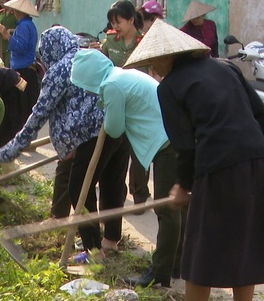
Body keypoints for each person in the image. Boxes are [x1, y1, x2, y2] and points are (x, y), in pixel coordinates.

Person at [124, 19, 264, 301]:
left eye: (155, 62)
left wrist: (183, 185)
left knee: (200, 251)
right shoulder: (225, 67)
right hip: (257, 159)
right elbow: (263, 115)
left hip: (219, 168)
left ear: (167, 57)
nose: (154, 70)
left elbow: (184, 146)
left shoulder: (168, 89)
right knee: (246, 243)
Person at [0, 26, 129, 255]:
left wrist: (14, 146)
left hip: (92, 135)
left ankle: (93, 250)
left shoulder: (59, 70)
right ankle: (110, 240)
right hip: (118, 124)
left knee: (80, 189)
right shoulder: (93, 56)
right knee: (112, 184)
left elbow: (41, 113)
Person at [71, 48, 185, 287]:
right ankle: (177, 263)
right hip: (173, 136)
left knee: (167, 209)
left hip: (166, 143)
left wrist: (108, 106)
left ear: (89, 77)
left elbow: (114, 129)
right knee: (175, 208)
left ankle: (160, 273)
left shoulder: (112, 85)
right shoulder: (121, 75)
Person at [99, 0, 150, 209]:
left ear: (131, 20)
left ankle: (140, 195)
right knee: (115, 151)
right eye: (112, 22)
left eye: (118, 21)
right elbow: (102, 67)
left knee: (139, 152)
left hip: (138, 104)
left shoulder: (145, 42)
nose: (115, 26)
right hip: (116, 103)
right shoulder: (110, 42)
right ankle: (116, 195)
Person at [0, 0, 40, 128]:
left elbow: (21, 47)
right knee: (24, 107)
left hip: (23, 70)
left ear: (18, 12)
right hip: (24, 69)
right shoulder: (27, 25)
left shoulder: (24, 26)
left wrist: (6, 35)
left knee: (20, 107)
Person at [0, 0, 17, 67]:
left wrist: (10, 30)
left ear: (9, 0)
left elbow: (19, 28)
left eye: (3, 2)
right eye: (0, 3)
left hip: (11, 40)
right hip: (1, 43)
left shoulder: (15, 13)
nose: (1, 5)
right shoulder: (1, 13)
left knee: (9, 63)